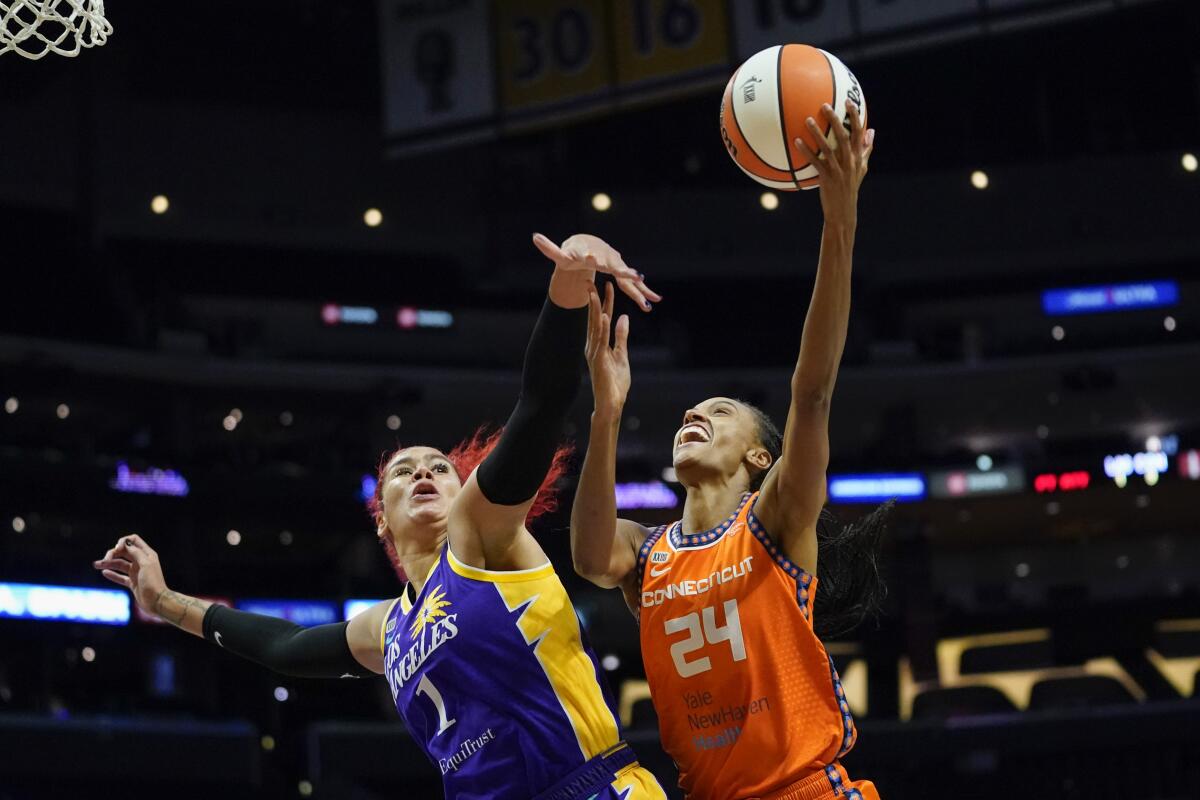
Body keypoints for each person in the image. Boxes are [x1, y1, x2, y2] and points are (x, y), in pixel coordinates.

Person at [94, 232, 668, 800]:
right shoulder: (389, 628)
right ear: (380, 521)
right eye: (403, 471)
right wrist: (164, 602)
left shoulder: (480, 537)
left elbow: (539, 403)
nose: (422, 473)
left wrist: (570, 278)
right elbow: (282, 647)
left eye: (440, 468)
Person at [571, 100, 887, 800]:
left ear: (759, 459)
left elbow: (811, 394)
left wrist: (840, 223)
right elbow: (591, 556)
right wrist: (606, 415)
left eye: (719, 412)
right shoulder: (646, 555)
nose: (694, 412)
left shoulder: (774, 522)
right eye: (692, 408)